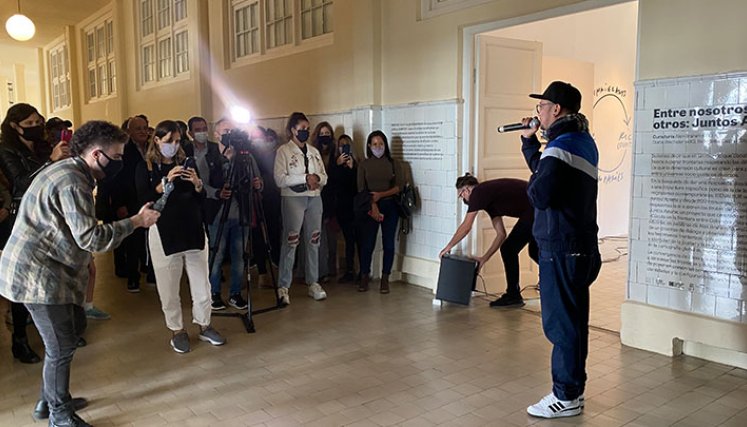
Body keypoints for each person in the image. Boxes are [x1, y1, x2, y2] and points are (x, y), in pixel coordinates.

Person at [0, 119, 160, 427]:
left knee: (72, 329)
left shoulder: (74, 171)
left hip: (48, 269)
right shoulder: (73, 180)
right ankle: (58, 414)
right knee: (60, 345)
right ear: (96, 154)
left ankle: (50, 399)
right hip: (36, 275)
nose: (120, 162)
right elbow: (91, 238)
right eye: (116, 156)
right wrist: (137, 222)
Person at [519, 81, 601, 418]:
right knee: (574, 321)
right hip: (579, 245)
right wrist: (529, 144)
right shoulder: (580, 140)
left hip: (562, 248)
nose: (538, 111)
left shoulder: (559, 147)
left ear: (556, 110)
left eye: (542, 106)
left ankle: (565, 396)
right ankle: (573, 392)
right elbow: (548, 173)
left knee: (561, 324)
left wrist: (537, 158)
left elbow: (540, 193)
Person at [136, 120, 226, 354]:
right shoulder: (145, 167)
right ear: (156, 140)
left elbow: (200, 198)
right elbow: (143, 200)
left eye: (177, 141)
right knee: (169, 286)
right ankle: (177, 330)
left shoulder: (188, 162)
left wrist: (197, 185)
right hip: (164, 231)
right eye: (169, 142)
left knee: (201, 283)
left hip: (193, 229)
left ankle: (205, 324)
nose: (174, 146)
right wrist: (163, 183)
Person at [0, 103, 71, 364]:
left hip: (48, 215)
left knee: (53, 271)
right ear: (14, 127)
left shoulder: (42, 146)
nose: (35, 128)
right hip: (22, 218)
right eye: (28, 125)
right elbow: (21, 181)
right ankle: (20, 338)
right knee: (24, 280)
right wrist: (51, 162)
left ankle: (57, 333)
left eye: (36, 122)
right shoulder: (5, 149)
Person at [438, 174, 538, 308]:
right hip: (536, 209)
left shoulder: (478, 193)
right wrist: (484, 258)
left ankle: (513, 295)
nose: (463, 199)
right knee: (533, 251)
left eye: (461, 195)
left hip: (536, 209)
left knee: (510, 249)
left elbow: (466, 227)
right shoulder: (489, 199)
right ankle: (563, 279)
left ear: (466, 190)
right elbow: (501, 234)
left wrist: (448, 246)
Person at [273, 112, 328, 305]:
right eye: (301, 129)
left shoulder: (313, 151)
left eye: (307, 129)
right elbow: (280, 179)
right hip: (293, 199)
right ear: (292, 130)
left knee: (313, 240)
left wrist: (317, 180)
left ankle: (313, 281)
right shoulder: (283, 151)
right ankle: (283, 285)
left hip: (314, 198)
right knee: (291, 240)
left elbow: (324, 175)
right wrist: (304, 178)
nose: (305, 132)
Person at [207, 123, 263, 311]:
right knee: (217, 254)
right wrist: (217, 191)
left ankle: (235, 293)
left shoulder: (246, 157)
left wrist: (258, 184)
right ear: (216, 135)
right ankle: (213, 293)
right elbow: (203, 184)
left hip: (242, 213)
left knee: (239, 255)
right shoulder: (210, 157)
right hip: (218, 214)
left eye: (232, 131)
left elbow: (258, 180)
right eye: (225, 132)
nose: (230, 135)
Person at [356, 130, 402, 293]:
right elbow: (361, 188)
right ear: (369, 146)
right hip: (370, 207)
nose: (378, 147)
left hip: (390, 206)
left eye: (381, 144)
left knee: (388, 243)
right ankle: (364, 276)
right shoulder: (364, 164)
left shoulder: (393, 163)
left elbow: (398, 187)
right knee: (368, 243)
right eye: (374, 144)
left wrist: (381, 195)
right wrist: (373, 204)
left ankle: (385, 278)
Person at [331, 134, 358, 283]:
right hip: (339, 207)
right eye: (341, 145)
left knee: (351, 239)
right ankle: (342, 268)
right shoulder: (335, 164)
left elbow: (356, 186)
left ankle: (351, 269)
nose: (343, 148)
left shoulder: (355, 163)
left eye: (346, 145)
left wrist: (352, 168)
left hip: (352, 207)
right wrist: (337, 164)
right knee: (342, 238)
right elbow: (332, 182)